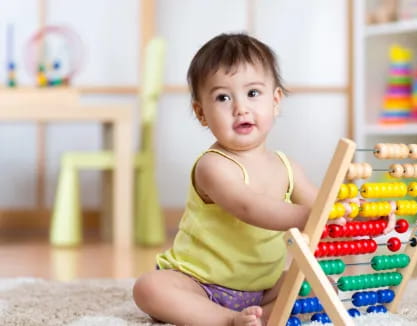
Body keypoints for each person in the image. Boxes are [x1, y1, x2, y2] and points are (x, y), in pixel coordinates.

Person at [133, 33, 395, 326]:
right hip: (199, 283)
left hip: (263, 287)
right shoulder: (213, 166)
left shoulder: (287, 167)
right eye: (223, 97)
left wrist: (351, 211)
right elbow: (249, 207)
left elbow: (321, 207)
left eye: (253, 94)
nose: (240, 108)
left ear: (276, 101)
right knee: (150, 288)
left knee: (323, 284)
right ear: (201, 113)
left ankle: (269, 314)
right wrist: (311, 215)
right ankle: (227, 320)